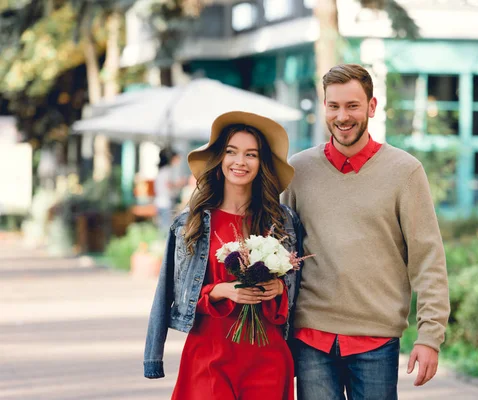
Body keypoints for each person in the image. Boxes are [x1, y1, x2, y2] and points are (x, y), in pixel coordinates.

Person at [281, 64, 450, 400]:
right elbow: (279, 247)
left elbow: (428, 259)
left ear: (372, 107)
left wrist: (430, 337)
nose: (342, 116)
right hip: (311, 337)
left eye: (353, 106)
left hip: (376, 341)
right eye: (334, 106)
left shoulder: (405, 172)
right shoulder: (297, 170)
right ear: (324, 107)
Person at [144, 111, 303, 400]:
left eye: (251, 154)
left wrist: (279, 287)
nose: (240, 162)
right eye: (232, 152)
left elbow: (299, 292)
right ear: (220, 159)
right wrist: (219, 291)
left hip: (267, 359)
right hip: (208, 356)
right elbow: (172, 292)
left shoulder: (282, 221)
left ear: (261, 163)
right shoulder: (189, 222)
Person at [154, 148, 186, 235]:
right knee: (166, 228)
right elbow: (168, 185)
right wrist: (180, 183)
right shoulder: (167, 171)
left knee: (163, 226)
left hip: (160, 202)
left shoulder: (162, 170)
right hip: (166, 202)